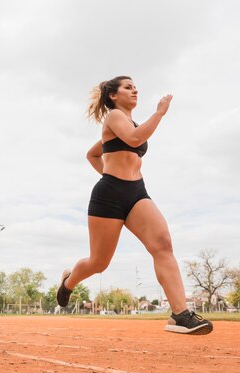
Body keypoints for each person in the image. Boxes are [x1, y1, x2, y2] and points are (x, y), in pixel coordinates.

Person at [56, 76, 213, 335]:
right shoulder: (114, 116)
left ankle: (180, 314)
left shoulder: (127, 122)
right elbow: (134, 139)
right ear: (113, 96)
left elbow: (96, 152)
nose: (135, 89)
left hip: (136, 192)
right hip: (109, 194)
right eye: (128, 87)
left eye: (135, 86)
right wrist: (159, 113)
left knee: (162, 243)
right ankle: (68, 281)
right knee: (99, 262)